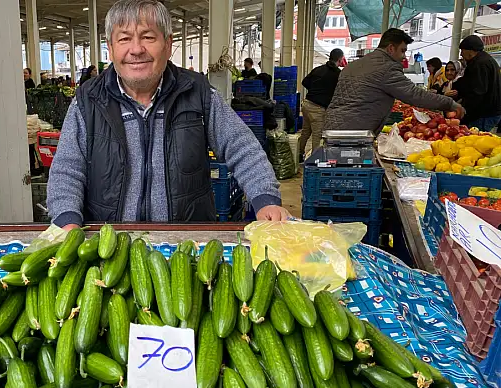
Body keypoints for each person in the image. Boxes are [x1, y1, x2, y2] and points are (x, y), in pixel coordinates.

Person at [47, 0, 287, 228]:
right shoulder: (88, 100)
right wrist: (67, 219)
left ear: (168, 44)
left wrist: (265, 198)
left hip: (187, 243)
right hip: (108, 246)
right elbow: (67, 169)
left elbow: (241, 147)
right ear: (110, 48)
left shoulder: (197, 92)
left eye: (148, 37)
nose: (136, 49)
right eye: (124, 39)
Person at [324, 28, 464, 133]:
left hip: (333, 127)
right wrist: (450, 104)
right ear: (391, 48)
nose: (404, 56)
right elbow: (415, 95)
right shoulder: (386, 68)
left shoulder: (355, 64)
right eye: (402, 51)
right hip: (353, 131)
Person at [300, 48, 345, 160]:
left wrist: (315, 90)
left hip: (306, 104)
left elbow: (304, 82)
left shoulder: (318, 69)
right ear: (340, 59)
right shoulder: (338, 74)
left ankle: (298, 155)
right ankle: (315, 161)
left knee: (305, 132)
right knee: (317, 135)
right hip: (318, 109)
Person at [451, 35, 501, 131]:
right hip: (491, 112)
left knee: (473, 141)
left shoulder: (479, 64)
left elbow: (478, 91)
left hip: (483, 114)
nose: (461, 54)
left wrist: (464, 111)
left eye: (462, 50)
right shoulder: (486, 60)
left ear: (471, 51)